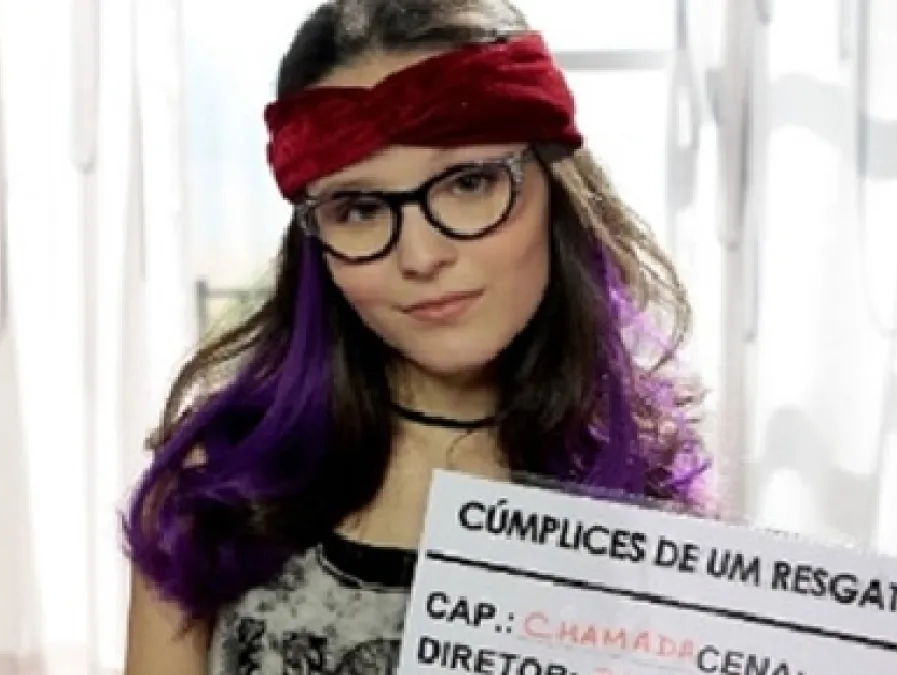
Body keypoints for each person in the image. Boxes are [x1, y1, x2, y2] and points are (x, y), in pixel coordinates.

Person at [122, 0, 714, 673]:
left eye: (469, 182)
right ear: (317, 241)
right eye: (360, 208)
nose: (422, 256)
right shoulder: (214, 492)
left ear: (557, 189)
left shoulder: (653, 506)